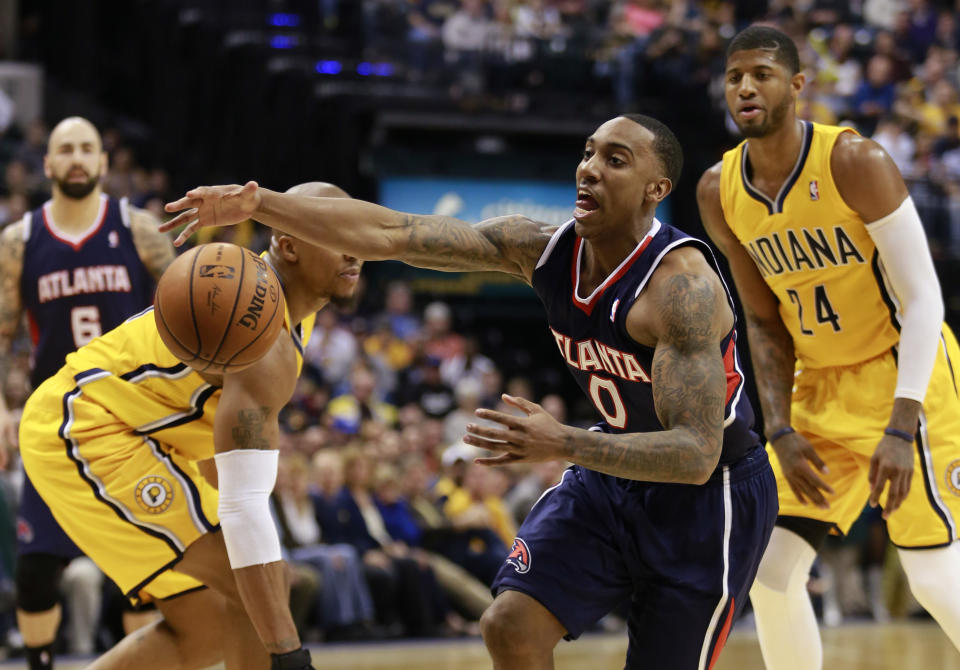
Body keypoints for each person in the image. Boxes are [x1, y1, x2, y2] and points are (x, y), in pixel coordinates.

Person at [164, 112, 779, 669]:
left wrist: (561, 441)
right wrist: (260, 203)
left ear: (656, 191)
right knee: (509, 626)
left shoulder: (682, 290)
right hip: (611, 476)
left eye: (615, 160)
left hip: (710, 500)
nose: (590, 168)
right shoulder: (540, 249)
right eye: (589, 152)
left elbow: (695, 455)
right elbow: (392, 231)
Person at [697, 25, 960, 670]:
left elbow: (924, 298)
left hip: (904, 376)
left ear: (796, 85)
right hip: (816, 387)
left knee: (929, 574)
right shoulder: (718, 191)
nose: (745, 87)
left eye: (760, 73)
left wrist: (900, 426)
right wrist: (779, 428)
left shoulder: (854, 161)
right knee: (772, 570)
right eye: (734, 77)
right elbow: (762, 321)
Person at [19, 182, 363, 670]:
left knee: (205, 630)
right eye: (338, 233)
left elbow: (218, 455)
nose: (357, 248)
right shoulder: (258, 333)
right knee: (256, 585)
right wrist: (290, 657)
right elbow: (243, 507)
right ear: (288, 245)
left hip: (143, 431)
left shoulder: (282, 312)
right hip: (83, 427)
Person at [0, 116, 176, 670]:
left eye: (86, 148)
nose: (76, 158)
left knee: (142, 573)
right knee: (35, 569)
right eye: (64, 150)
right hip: (55, 423)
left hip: (133, 420)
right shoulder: (19, 240)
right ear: (46, 164)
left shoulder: (139, 228)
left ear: (104, 162)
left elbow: (183, 316)